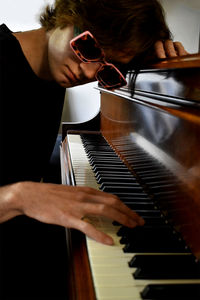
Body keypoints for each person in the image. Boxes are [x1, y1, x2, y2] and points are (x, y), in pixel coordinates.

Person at [0, 0, 188, 247]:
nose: (89, 75)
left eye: (107, 70)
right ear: (67, 13)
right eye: (89, 48)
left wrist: (153, 57)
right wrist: (16, 198)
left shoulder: (52, 75)